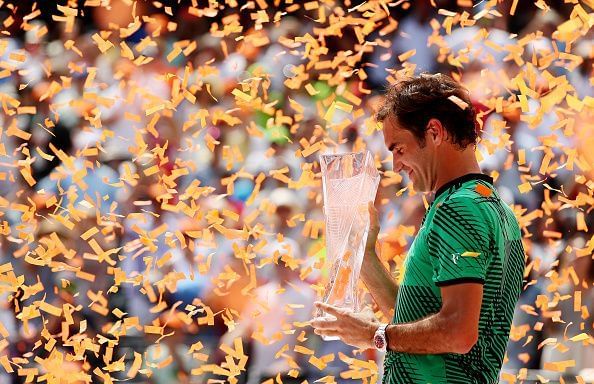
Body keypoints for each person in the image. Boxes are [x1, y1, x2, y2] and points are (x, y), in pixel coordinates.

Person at [312, 73, 527, 384]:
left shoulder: (459, 208)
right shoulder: (489, 206)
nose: (396, 165)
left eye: (398, 148)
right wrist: (364, 255)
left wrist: (375, 335)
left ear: (434, 132)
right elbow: (417, 318)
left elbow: (458, 332)